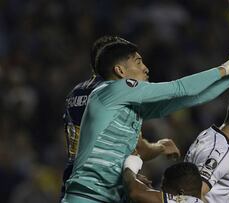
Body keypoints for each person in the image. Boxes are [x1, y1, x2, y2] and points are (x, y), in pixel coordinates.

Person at [62, 35, 229, 203]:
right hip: (87, 197)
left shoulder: (132, 107)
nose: (146, 68)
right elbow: (180, 87)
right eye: (138, 61)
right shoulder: (110, 90)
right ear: (120, 71)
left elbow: (192, 97)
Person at [60, 36, 181, 200]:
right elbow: (139, 149)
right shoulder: (119, 93)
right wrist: (161, 146)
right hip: (103, 188)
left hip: (73, 183)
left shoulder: (74, 93)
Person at [122, 155, 203, 203]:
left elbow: (135, 192)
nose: (161, 193)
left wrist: (131, 165)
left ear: (181, 193)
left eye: (164, 191)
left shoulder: (187, 201)